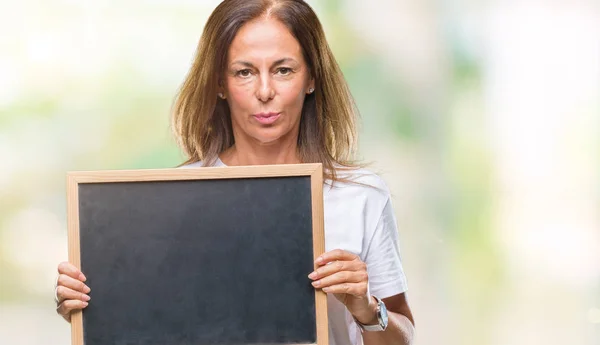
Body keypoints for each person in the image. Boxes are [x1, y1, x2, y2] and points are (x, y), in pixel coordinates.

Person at [54, 1, 415, 344]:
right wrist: (90, 306)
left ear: (311, 78)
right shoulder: (175, 198)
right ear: (219, 84)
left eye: (283, 70)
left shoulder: (361, 195)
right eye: (244, 72)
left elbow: (403, 336)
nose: (264, 91)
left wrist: (366, 308)